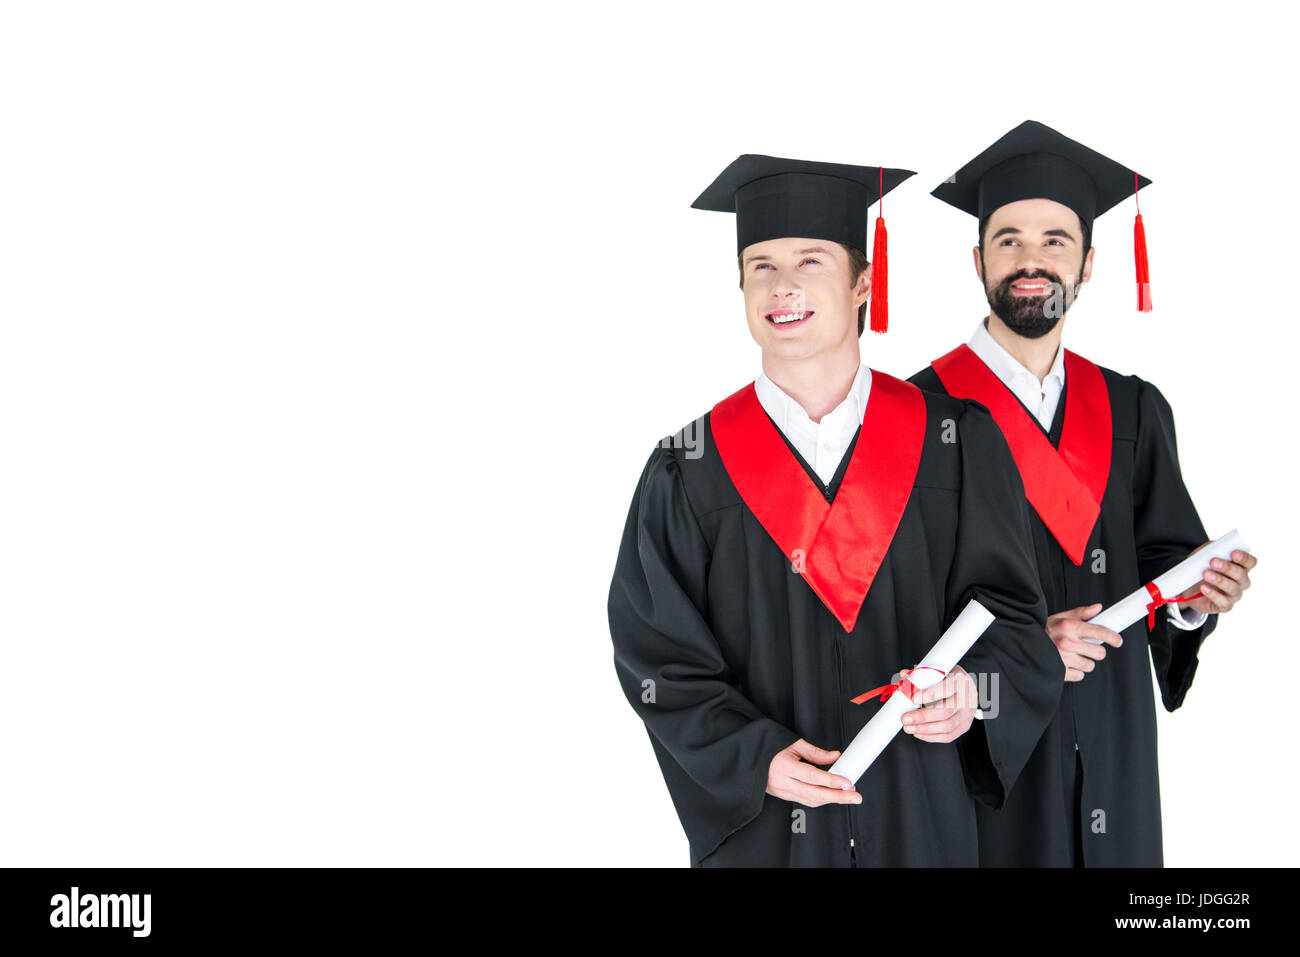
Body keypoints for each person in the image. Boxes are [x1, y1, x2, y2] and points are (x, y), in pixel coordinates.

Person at [607, 154, 1063, 867]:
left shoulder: (956, 444)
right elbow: (655, 656)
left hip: (924, 822)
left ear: (863, 284)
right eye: (760, 266)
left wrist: (974, 693)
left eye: (809, 260)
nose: (782, 286)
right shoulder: (689, 466)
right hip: (770, 832)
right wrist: (751, 756)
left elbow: (1018, 627)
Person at [908, 120, 1258, 866]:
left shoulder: (1133, 410)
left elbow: (1168, 564)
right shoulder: (913, 416)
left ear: (1090, 263)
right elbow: (895, 612)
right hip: (987, 761)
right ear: (976, 260)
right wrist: (1025, 655)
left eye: (1055, 241)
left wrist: (1195, 598)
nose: (1031, 260)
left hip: (1114, 741)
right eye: (1008, 240)